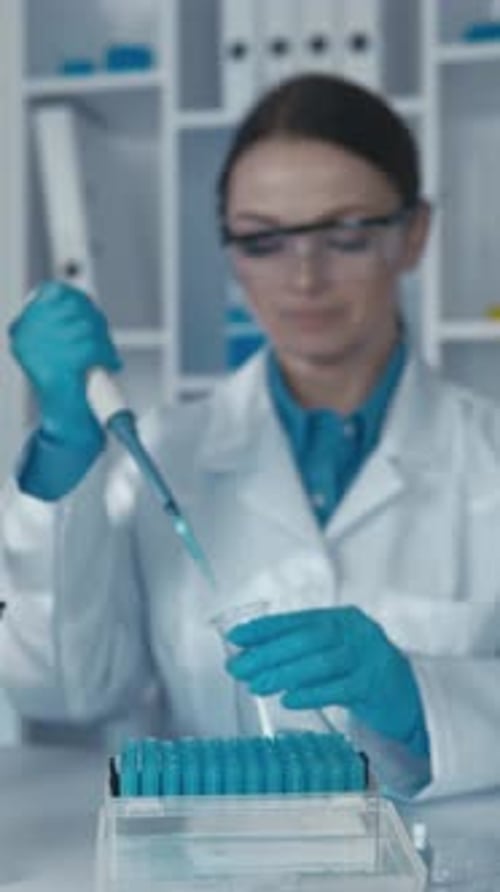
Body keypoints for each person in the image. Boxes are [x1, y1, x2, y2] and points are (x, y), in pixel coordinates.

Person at [1, 72, 500, 800]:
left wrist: (425, 700)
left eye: (347, 233)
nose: (304, 276)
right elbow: (64, 689)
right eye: (263, 239)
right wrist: (62, 461)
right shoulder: (161, 458)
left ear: (413, 234)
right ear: (229, 250)